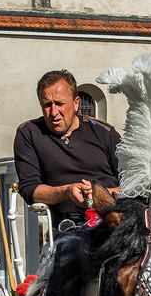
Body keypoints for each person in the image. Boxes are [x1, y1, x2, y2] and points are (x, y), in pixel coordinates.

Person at [13, 70, 121, 232]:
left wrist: (100, 195)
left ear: (76, 103)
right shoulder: (29, 133)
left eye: (60, 103)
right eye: (47, 105)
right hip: (68, 229)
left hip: (115, 223)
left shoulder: (105, 133)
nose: (54, 112)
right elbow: (29, 189)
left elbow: (133, 184)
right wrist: (67, 191)